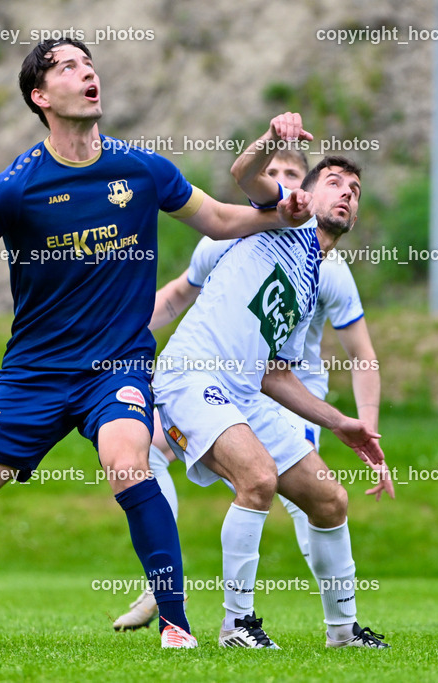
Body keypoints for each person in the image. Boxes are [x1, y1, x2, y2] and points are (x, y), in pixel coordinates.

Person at [0, 39, 310, 650]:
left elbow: (222, 219)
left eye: (89, 63)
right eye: (68, 67)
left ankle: (177, 626)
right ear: (40, 97)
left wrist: (283, 211)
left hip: (115, 366)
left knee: (128, 459)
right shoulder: (14, 187)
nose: (87, 72)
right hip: (32, 375)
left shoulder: (142, 169)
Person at [113, 136, 386, 634]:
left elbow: (275, 373)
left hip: (243, 390)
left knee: (330, 500)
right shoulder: (282, 220)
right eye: (333, 183)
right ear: (304, 191)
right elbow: (244, 173)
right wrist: (274, 141)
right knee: (257, 478)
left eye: (355, 189)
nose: (347, 193)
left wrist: (342, 422)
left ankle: (344, 633)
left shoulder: (310, 281)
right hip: (191, 375)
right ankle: (237, 625)